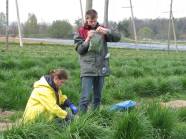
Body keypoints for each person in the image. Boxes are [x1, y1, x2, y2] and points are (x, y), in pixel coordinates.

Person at [74, 9, 121, 112]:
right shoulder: (80, 31)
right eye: (90, 21)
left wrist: (107, 31)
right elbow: (80, 50)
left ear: (96, 19)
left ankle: (95, 118)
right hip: (87, 69)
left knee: (97, 97)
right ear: (86, 19)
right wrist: (87, 39)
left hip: (101, 68)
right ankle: (82, 121)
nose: (93, 23)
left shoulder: (102, 29)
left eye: (94, 21)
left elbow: (118, 37)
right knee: (85, 98)